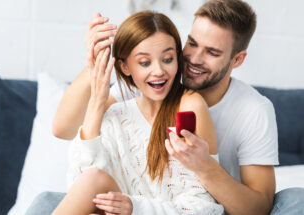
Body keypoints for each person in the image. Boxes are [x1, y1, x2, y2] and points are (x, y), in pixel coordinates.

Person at [25, 0, 304, 215]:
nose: (194, 58)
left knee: (296, 200)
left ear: (237, 60)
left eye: (212, 52)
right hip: (132, 202)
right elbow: (63, 129)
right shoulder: (149, 84)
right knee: (47, 200)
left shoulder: (253, 109)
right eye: (192, 43)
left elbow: (258, 208)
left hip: (205, 207)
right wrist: (96, 61)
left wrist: (205, 167)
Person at [52, 10, 224, 215]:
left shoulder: (190, 107)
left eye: (168, 59)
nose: (159, 70)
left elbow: (203, 208)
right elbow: (79, 189)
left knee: (94, 180)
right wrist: (97, 102)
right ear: (124, 67)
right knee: (92, 180)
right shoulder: (114, 115)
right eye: (144, 63)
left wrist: (137, 208)